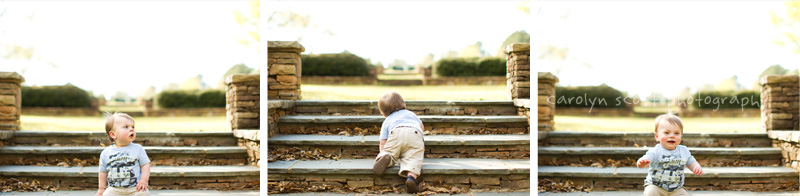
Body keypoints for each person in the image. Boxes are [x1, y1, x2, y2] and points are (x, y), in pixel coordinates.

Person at [636, 114, 703, 196]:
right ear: (657, 136)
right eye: (667, 133)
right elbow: (645, 159)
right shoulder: (655, 151)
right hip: (656, 186)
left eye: (676, 133)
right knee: (651, 192)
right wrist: (642, 163)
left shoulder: (683, 151)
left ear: (681, 136)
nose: (672, 136)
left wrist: (696, 167)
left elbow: (690, 161)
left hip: (676, 188)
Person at [372, 92, 425, 193]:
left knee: (390, 152)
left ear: (384, 112)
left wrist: (382, 152)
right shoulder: (411, 114)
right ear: (404, 105)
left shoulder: (387, 120)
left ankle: (385, 158)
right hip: (414, 133)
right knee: (413, 158)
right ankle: (411, 178)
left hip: (395, 132)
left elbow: (383, 141)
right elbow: (421, 127)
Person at [97, 112, 151, 196]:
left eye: (132, 127)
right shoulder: (106, 153)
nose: (131, 129)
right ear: (113, 134)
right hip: (114, 189)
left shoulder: (138, 149)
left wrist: (143, 180)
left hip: (135, 187)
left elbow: (145, 165)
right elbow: (102, 172)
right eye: (126, 127)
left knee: (144, 194)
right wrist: (101, 189)